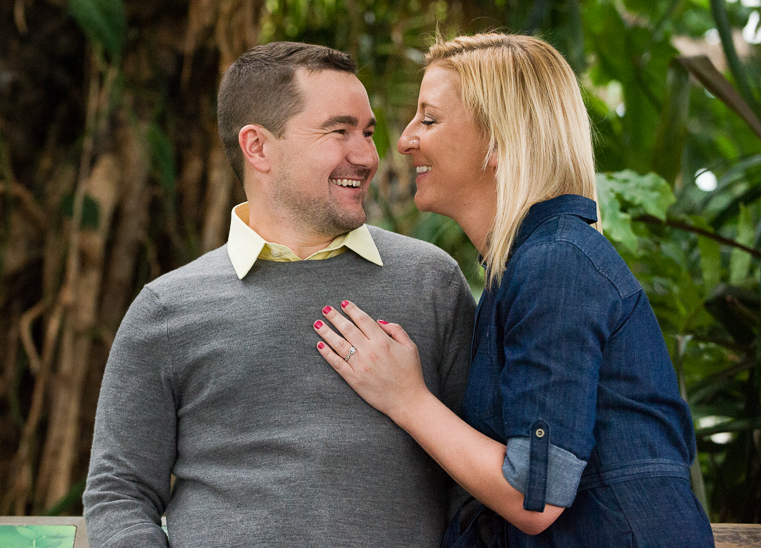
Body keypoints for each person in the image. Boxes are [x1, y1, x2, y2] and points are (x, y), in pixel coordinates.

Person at [313, 33, 715, 547]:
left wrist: (405, 397)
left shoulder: (556, 263)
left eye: (430, 119)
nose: (405, 139)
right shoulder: (525, 267)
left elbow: (536, 496)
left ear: (502, 140)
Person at [83, 41, 476, 547]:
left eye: (368, 132)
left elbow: (479, 480)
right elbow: (120, 492)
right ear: (258, 147)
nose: (367, 156)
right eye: (339, 131)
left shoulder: (431, 282)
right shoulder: (166, 310)